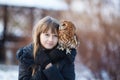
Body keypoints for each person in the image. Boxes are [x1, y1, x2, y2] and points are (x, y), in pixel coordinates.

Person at [16, 16, 77, 80]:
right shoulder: (26, 55)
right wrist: (45, 64)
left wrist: (49, 68)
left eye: (55, 36)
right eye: (47, 35)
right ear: (38, 35)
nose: (51, 39)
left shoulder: (66, 56)